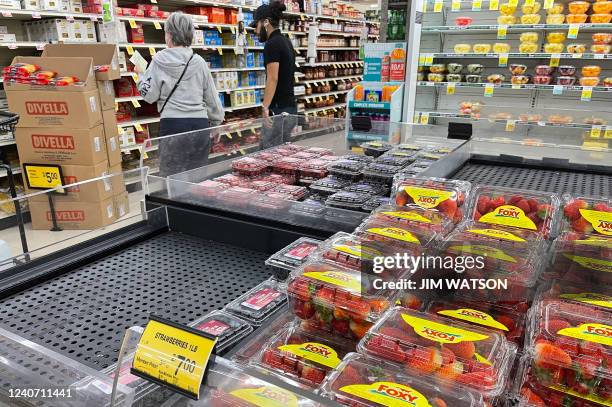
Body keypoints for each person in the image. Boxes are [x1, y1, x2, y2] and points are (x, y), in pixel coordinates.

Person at [136, 12, 224, 176]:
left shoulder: (159, 60)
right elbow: (212, 97)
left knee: (172, 177)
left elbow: (149, 95)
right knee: (197, 177)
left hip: (173, 125)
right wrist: (216, 124)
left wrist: (141, 75)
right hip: (199, 125)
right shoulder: (199, 62)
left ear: (169, 34)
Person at [250, 2, 297, 147]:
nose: (256, 31)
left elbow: (272, 78)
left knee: (267, 155)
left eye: (256, 26)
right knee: (281, 156)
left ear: (266, 22)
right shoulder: (286, 41)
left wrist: (265, 107)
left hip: (277, 110)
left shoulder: (272, 44)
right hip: (289, 108)